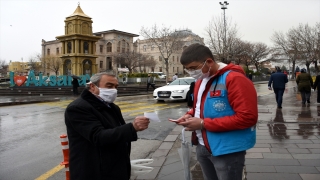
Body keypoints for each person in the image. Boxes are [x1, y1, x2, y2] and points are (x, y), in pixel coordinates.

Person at [171, 43, 258, 180]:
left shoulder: (235, 79)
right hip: (202, 145)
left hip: (228, 149)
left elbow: (248, 117)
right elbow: (202, 105)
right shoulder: (201, 80)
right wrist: (190, 114)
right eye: (188, 69)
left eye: (193, 68)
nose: (191, 72)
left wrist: (202, 124)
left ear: (209, 62)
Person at [65, 72, 150, 180]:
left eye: (116, 87)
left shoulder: (112, 107)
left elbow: (115, 136)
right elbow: (99, 136)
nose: (114, 90)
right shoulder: (78, 108)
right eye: (109, 86)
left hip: (112, 169)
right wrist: (132, 128)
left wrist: (124, 164)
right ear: (92, 86)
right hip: (93, 172)